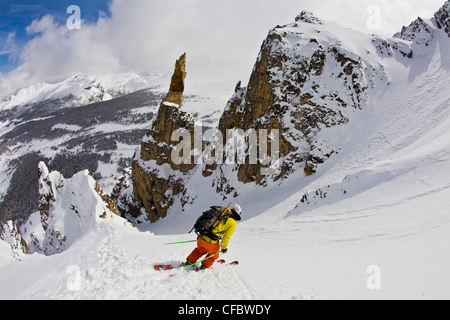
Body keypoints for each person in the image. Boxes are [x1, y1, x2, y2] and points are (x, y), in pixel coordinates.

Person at [185, 204, 242, 270]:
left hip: (201, 237)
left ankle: (189, 262)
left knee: (199, 250)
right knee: (214, 255)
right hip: (211, 242)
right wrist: (224, 248)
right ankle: (204, 267)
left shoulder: (221, 213)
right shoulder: (232, 222)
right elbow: (226, 237)